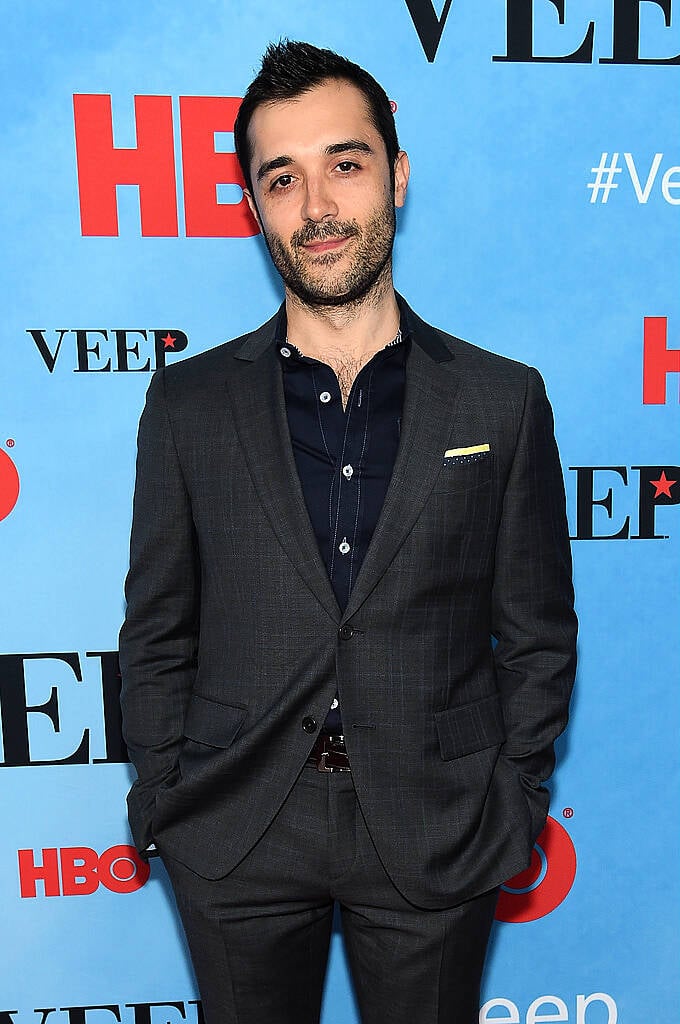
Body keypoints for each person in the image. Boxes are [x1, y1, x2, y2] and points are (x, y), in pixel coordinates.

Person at [119, 39, 577, 1024]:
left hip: (434, 828)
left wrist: (511, 807)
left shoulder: (501, 401)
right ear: (252, 203)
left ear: (395, 177)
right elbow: (157, 633)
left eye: (345, 163)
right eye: (281, 178)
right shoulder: (188, 404)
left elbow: (536, 636)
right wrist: (164, 804)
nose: (317, 207)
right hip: (237, 831)